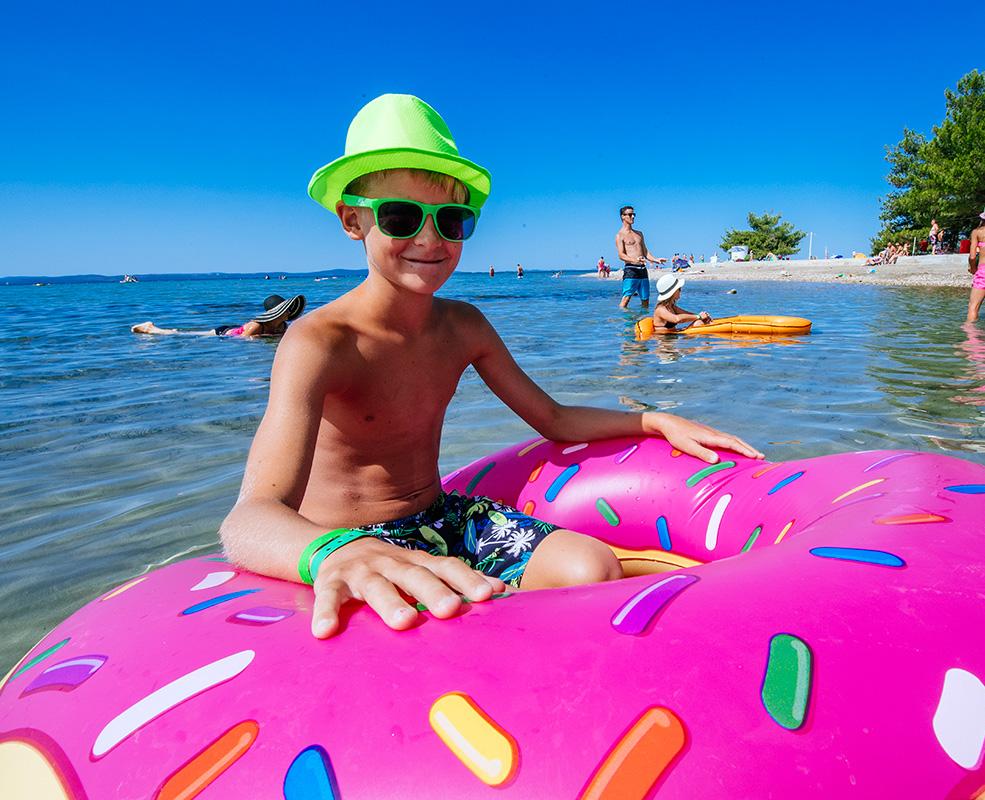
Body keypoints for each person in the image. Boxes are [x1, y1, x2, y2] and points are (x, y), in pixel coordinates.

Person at [218, 94, 763, 640]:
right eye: (401, 217)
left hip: (446, 519)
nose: (430, 239)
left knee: (591, 567)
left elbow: (552, 418)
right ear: (352, 220)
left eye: (452, 220)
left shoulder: (464, 327)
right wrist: (329, 556)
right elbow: (250, 517)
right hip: (350, 541)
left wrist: (653, 421)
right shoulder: (319, 342)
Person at [131, 294, 306, 337]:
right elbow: (240, 340)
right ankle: (151, 328)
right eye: (286, 309)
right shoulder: (256, 326)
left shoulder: (283, 326)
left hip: (231, 331)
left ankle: (155, 329)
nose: (290, 313)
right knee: (183, 335)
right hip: (222, 333)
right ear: (277, 312)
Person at [615, 206, 666, 308]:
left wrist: (655, 260)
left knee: (645, 299)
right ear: (623, 216)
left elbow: (645, 251)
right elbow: (621, 255)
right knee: (626, 298)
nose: (633, 216)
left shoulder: (639, 234)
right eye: (630, 214)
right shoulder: (620, 236)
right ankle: (622, 322)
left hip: (642, 269)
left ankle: (643, 319)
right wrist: (635, 259)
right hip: (631, 270)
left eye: (634, 214)